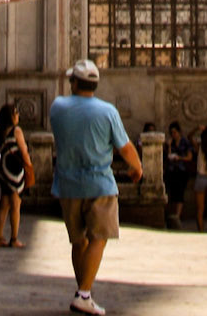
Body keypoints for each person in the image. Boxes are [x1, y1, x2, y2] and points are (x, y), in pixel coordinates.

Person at [48, 58, 143, 316]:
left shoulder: (57, 107)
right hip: (99, 184)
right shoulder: (107, 112)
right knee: (99, 237)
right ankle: (84, 294)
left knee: (78, 241)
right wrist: (137, 168)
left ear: (74, 82)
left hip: (67, 185)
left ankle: (83, 292)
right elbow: (124, 146)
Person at [0, 99, 34, 249]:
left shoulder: (1, 132)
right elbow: (23, 151)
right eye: (15, 113)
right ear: (11, 116)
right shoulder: (16, 130)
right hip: (14, 170)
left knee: (4, 203)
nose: (18, 115)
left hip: (4, 169)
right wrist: (29, 166)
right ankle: (14, 238)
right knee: (16, 204)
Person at [162, 124, 193, 228]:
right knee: (171, 193)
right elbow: (169, 156)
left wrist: (179, 158)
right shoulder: (171, 143)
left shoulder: (185, 142)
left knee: (180, 193)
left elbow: (189, 157)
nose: (173, 135)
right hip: (172, 170)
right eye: (172, 133)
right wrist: (169, 146)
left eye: (175, 132)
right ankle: (170, 217)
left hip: (181, 170)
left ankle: (177, 216)